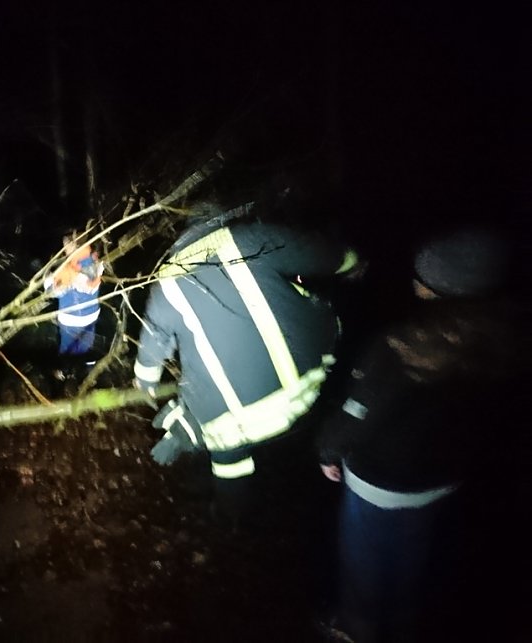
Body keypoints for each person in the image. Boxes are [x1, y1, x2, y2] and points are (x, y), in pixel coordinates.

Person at [315, 227, 523, 643]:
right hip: (441, 480)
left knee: (364, 562)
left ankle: (358, 629)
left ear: (437, 287)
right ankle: (403, 625)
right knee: (410, 555)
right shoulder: (502, 342)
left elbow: (358, 414)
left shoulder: (401, 345)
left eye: (421, 273)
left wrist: (328, 449)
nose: (413, 277)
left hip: (380, 481)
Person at [131, 205, 362, 527]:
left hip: (232, 419)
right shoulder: (250, 239)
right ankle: (300, 492)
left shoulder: (167, 279)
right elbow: (324, 255)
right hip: (305, 382)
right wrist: (351, 261)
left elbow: (152, 346)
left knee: (227, 453)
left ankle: (229, 515)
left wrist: (145, 383)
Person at [44, 232, 104, 361]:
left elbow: (52, 291)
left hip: (70, 319)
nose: (64, 248)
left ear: (73, 245)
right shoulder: (95, 261)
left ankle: (64, 369)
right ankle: (89, 366)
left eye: (66, 245)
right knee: (86, 344)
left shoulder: (68, 269)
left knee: (67, 347)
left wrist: (48, 277)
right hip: (91, 315)